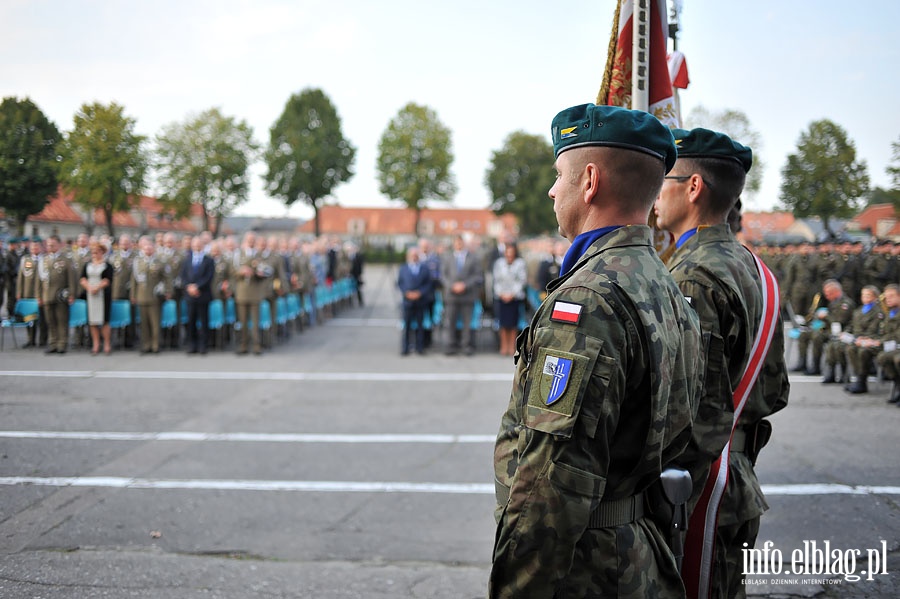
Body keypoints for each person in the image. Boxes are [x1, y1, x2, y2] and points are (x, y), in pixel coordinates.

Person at [490, 103, 703, 598]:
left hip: (584, 566)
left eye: (558, 174)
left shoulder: (588, 298)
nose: (551, 188)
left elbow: (550, 485)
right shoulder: (663, 282)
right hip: (639, 551)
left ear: (589, 182)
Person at [653, 127, 790, 599]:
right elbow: (774, 391)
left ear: (693, 188)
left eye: (663, 180)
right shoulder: (755, 267)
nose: (654, 194)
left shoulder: (694, 274)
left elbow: (692, 412)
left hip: (699, 491)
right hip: (736, 478)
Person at [792, 279, 854, 376]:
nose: (826, 296)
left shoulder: (845, 304)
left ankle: (816, 366)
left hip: (839, 331)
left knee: (817, 336)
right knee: (804, 334)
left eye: (829, 293)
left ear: (836, 292)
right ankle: (802, 362)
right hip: (827, 328)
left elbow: (839, 321)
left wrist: (826, 316)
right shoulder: (832, 301)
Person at [441, 235, 483, 356]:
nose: (458, 245)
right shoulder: (447, 257)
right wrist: (452, 286)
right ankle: (450, 345)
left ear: (463, 243)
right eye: (456, 242)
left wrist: (465, 285)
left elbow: (478, 275)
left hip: (467, 295)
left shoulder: (473, 258)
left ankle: (466, 345)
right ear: (454, 244)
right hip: (451, 295)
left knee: (467, 322)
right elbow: (443, 275)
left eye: (460, 242)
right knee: (450, 322)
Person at [840, 285, 885, 394]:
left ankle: (862, 380)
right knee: (850, 349)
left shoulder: (878, 312)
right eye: (863, 295)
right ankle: (857, 377)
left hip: (872, 342)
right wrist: (845, 333)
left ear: (875, 297)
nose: (865, 297)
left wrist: (865, 339)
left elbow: (876, 329)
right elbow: (851, 325)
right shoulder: (858, 311)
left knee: (863, 352)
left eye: (868, 295)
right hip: (858, 340)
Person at [36, 235, 77, 354]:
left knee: (62, 320)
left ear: (59, 245)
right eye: (48, 245)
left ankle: (62, 344)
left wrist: (71, 294)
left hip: (60, 296)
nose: (50, 247)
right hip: (47, 295)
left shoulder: (66, 260)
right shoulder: (44, 260)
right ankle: (53, 343)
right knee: (50, 321)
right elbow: (39, 280)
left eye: (53, 245)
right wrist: (38, 296)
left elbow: (71, 279)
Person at [130, 236, 171, 354]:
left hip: (154, 296)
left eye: (150, 246)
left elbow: (167, 277)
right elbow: (134, 280)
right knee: (144, 323)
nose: (147, 249)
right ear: (142, 249)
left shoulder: (159, 261)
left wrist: (168, 291)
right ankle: (146, 345)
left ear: (153, 248)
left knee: (155, 323)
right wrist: (133, 295)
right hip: (141, 296)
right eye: (145, 247)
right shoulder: (138, 262)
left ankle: (155, 345)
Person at [180, 236, 215, 354]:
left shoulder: (209, 260)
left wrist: (197, 287)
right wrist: (189, 287)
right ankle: (192, 345)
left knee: (204, 321)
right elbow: (183, 276)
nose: (197, 246)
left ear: (203, 245)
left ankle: (203, 345)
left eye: (199, 244)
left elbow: (209, 277)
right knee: (191, 321)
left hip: (203, 295)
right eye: (195, 244)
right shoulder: (186, 260)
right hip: (190, 296)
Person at [491, 242, 526, 356]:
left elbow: (521, 280)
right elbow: (496, 280)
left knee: (513, 323)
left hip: (514, 297)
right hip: (501, 297)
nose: (509, 254)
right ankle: (503, 346)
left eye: (512, 252)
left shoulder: (520, 264)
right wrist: (501, 294)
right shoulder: (499, 264)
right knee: (503, 323)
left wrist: (512, 294)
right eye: (508, 252)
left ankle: (512, 347)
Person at [79, 241, 113, 355]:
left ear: (102, 252)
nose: (95, 254)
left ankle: (107, 344)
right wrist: (89, 287)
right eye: (93, 252)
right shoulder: (87, 265)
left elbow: (108, 280)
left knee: (104, 321)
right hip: (90, 295)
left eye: (97, 252)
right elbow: (83, 278)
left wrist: (97, 287)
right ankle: (96, 344)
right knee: (93, 321)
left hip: (102, 295)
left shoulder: (107, 265)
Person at [397, 247, 432, 355]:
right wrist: (406, 292)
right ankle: (405, 347)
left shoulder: (424, 268)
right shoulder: (403, 268)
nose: (414, 257)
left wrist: (419, 293)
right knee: (406, 325)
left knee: (420, 325)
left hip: (420, 301)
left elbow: (428, 284)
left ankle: (420, 347)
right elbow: (400, 283)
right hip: (407, 301)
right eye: (412, 255)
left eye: (416, 255)